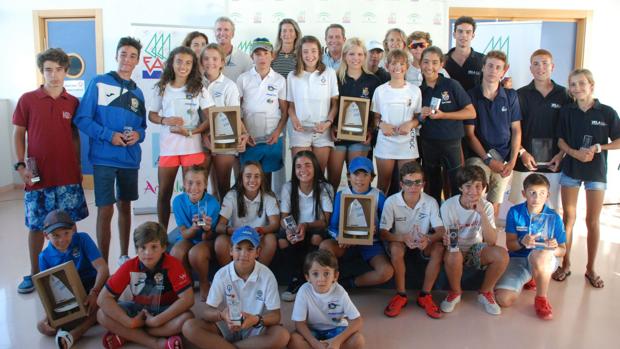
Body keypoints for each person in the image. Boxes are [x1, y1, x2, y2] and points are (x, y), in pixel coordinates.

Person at [13, 48, 89, 294]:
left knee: (69, 224)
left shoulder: (73, 102)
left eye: (58, 70)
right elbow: (18, 133)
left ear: (66, 71)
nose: (53, 75)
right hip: (38, 176)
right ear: (42, 71)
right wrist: (20, 165)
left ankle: (71, 270)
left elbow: (75, 136)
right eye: (48, 70)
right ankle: (36, 273)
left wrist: (78, 165)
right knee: (36, 226)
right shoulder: (28, 100)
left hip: (67, 175)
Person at [74, 37, 146, 265]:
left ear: (137, 61)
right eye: (123, 54)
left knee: (125, 207)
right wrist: (109, 135)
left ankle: (124, 256)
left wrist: (138, 135)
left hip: (129, 160)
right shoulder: (99, 82)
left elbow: (142, 127)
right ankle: (102, 264)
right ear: (116, 56)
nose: (127, 59)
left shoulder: (139, 93)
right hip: (104, 159)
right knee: (105, 210)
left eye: (132, 56)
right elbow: (82, 119)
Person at [556, 69, 620, 288]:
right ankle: (565, 265)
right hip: (571, 170)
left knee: (592, 221)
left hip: (596, 173)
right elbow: (561, 141)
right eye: (572, 84)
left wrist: (599, 147)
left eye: (581, 83)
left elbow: (619, 141)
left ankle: (591, 269)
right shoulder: (567, 111)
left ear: (591, 85)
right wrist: (574, 153)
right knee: (568, 220)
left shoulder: (607, 112)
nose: (577, 88)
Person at [182, 226, 290, 349]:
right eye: (238, 248)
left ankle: (225, 346)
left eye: (250, 249)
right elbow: (207, 312)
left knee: (282, 335)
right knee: (189, 327)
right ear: (231, 250)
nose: (244, 254)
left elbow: (276, 316)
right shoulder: (222, 274)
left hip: (254, 326)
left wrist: (255, 319)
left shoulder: (267, 276)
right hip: (227, 325)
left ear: (258, 252)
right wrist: (222, 315)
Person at [97, 222, 194, 349]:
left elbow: (188, 299)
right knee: (101, 314)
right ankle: (158, 343)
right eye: (142, 247)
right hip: (138, 310)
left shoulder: (173, 264)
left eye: (154, 247)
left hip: (164, 311)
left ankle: (127, 335)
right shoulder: (129, 266)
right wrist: (130, 322)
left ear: (164, 247)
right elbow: (103, 299)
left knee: (188, 318)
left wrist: (156, 320)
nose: (148, 253)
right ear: (136, 249)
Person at [148, 46, 214, 230]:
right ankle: (161, 233)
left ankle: (198, 230)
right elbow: (152, 115)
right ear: (172, 63)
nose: (183, 66)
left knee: (195, 193)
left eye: (188, 62)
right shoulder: (162, 87)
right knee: (164, 193)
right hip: (168, 148)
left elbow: (211, 117)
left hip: (192, 148)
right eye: (179, 61)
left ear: (193, 65)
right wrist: (165, 120)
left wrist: (192, 132)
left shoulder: (199, 88)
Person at [495, 174, 567, 320]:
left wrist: (553, 248)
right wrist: (522, 242)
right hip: (518, 259)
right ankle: (531, 277)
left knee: (541, 255)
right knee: (503, 299)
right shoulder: (515, 212)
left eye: (542, 193)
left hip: (544, 260)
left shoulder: (554, 217)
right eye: (532, 193)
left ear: (548, 195)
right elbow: (510, 245)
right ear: (524, 194)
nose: (537, 197)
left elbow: (562, 250)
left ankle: (541, 298)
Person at [439, 166, 508, 315]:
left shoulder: (487, 206)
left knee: (502, 255)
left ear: (484, 188)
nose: (473, 191)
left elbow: (492, 241)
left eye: (478, 186)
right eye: (468, 186)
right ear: (460, 187)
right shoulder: (448, 206)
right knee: (454, 253)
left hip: (476, 248)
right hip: (455, 247)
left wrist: (482, 213)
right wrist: (452, 242)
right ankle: (455, 292)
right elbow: (451, 240)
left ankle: (485, 293)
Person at [380, 161, 445, 318]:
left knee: (439, 248)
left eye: (417, 182)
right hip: (401, 241)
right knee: (395, 248)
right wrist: (401, 237)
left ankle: (425, 295)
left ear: (423, 183)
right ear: (401, 184)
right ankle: (401, 295)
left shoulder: (430, 201)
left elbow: (441, 230)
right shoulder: (391, 201)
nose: (413, 186)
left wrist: (428, 239)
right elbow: (383, 232)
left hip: (422, 241)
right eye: (408, 182)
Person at [509, 49, 571, 210]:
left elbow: (569, 130)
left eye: (545, 63)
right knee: (521, 209)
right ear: (530, 68)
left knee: (552, 209)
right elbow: (512, 129)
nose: (540, 67)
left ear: (553, 67)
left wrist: (561, 154)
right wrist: (522, 153)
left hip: (555, 162)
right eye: (536, 64)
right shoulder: (520, 94)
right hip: (525, 161)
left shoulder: (565, 95)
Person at [37, 210, 109, 349]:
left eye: (66, 233)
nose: (62, 239)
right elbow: (48, 291)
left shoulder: (82, 238)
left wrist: (94, 292)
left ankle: (77, 332)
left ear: (73, 229)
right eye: (55, 236)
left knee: (108, 294)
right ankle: (86, 318)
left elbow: (102, 268)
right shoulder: (44, 257)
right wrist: (47, 317)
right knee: (42, 326)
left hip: (94, 286)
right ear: (46, 236)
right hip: (71, 294)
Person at [321, 157, 393, 290]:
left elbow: (387, 225)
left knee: (386, 271)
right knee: (325, 246)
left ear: (371, 178)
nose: (360, 179)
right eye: (356, 174)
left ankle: (348, 284)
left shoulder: (379, 196)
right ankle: (331, 282)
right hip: (346, 242)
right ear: (349, 176)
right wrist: (339, 236)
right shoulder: (341, 194)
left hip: (371, 243)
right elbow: (332, 226)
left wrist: (377, 230)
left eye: (365, 174)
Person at [464, 50, 522, 216]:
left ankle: (489, 239)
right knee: (474, 196)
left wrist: (512, 161)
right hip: (479, 156)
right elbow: (470, 134)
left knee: (494, 203)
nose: (493, 71)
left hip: (503, 158)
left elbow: (516, 130)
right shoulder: (471, 95)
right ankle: (472, 238)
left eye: (498, 67)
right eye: (489, 66)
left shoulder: (511, 96)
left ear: (504, 71)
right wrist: (487, 160)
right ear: (483, 67)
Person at [418, 46, 476, 203]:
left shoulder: (451, 85)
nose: (430, 66)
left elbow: (471, 112)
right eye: (426, 62)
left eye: (435, 62)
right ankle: (434, 220)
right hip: (428, 142)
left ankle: (456, 219)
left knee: (456, 182)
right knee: (432, 183)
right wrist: (420, 116)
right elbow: (415, 120)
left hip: (452, 141)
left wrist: (445, 115)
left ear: (441, 64)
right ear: (420, 64)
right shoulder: (417, 90)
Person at [279, 151, 334, 301]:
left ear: (315, 166)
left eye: (307, 165)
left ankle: (309, 277)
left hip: (314, 227)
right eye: (298, 166)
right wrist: (289, 229)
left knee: (316, 237)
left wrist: (306, 225)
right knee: (283, 239)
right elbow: (283, 218)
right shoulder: (288, 187)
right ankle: (296, 278)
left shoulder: (325, 187)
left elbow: (325, 221)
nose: (303, 170)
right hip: (296, 227)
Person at [327, 38, 382, 190]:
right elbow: (330, 106)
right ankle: (331, 213)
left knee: (358, 181)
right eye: (351, 54)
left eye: (359, 54)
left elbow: (375, 111)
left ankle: (356, 213)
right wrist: (331, 127)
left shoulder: (373, 81)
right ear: (344, 56)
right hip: (337, 136)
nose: (355, 58)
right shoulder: (335, 78)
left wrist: (370, 131)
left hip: (361, 138)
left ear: (365, 56)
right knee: (333, 180)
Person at [237, 38, 288, 188]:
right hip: (249, 139)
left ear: (272, 56)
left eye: (266, 53)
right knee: (249, 181)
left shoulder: (280, 80)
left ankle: (267, 210)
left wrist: (277, 132)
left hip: (271, 138)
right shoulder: (243, 79)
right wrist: (244, 134)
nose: (262, 57)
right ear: (252, 57)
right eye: (257, 54)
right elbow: (236, 110)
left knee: (266, 181)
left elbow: (285, 112)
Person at [288, 250, 365, 349]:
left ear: (335, 276)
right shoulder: (304, 291)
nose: (321, 279)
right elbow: (299, 323)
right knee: (293, 341)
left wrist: (337, 341)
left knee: (358, 340)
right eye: (315, 274)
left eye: (326, 273)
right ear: (308, 277)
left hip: (336, 329)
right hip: (312, 331)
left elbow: (357, 320)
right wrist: (315, 344)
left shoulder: (340, 292)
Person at [372, 49, 422, 194]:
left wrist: (410, 124)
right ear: (387, 66)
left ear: (406, 66)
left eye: (401, 64)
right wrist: (382, 125)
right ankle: (380, 215)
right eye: (393, 63)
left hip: (407, 144)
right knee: (383, 184)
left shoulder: (415, 90)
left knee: (408, 184)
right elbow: (375, 118)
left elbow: (419, 118)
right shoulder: (380, 90)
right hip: (385, 143)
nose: (397, 67)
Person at [287, 35, 339, 173]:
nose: (310, 55)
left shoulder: (329, 73)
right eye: (305, 51)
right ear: (300, 54)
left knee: (319, 174)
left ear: (320, 53)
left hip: (323, 130)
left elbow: (335, 103)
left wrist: (327, 123)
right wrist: (294, 120)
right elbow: (291, 105)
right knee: (300, 174)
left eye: (313, 51)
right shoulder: (292, 76)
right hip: (300, 131)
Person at [169, 165, 220, 301]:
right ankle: (187, 282)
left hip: (206, 240)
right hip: (188, 236)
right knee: (176, 253)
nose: (194, 187)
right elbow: (184, 233)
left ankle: (204, 282)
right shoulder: (178, 202)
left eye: (199, 183)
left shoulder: (213, 203)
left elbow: (209, 237)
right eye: (190, 183)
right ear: (184, 185)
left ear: (205, 185)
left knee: (196, 253)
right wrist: (193, 228)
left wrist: (207, 228)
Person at [215, 161, 280, 266]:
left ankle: (259, 276)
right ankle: (229, 277)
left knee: (271, 239)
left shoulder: (269, 197)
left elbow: (275, 225)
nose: (252, 180)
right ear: (241, 178)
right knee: (220, 241)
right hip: (236, 236)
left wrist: (261, 229)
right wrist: (233, 230)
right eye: (248, 176)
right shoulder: (231, 196)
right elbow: (219, 226)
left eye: (256, 176)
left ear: (262, 179)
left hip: (258, 237)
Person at [200, 43, 242, 200]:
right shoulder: (196, 83)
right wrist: (204, 135)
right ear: (201, 61)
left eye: (215, 59)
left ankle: (224, 223)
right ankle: (204, 222)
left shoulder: (229, 86)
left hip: (225, 141)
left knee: (222, 185)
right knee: (201, 186)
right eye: (206, 58)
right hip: (200, 140)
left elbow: (232, 117)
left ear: (222, 62)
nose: (210, 62)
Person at [444, 16, 484, 92]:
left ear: (473, 36)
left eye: (468, 32)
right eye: (460, 31)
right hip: (448, 103)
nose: (464, 35)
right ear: (454, 34)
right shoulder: (442, 60)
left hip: (474, 104)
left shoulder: (483, 60)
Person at [215, 16, 253, 82]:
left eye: (226, 30)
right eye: (219, 29)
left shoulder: (244, 59)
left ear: (232, 34)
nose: (222, 33)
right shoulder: (206, 57)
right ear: (214, 32)